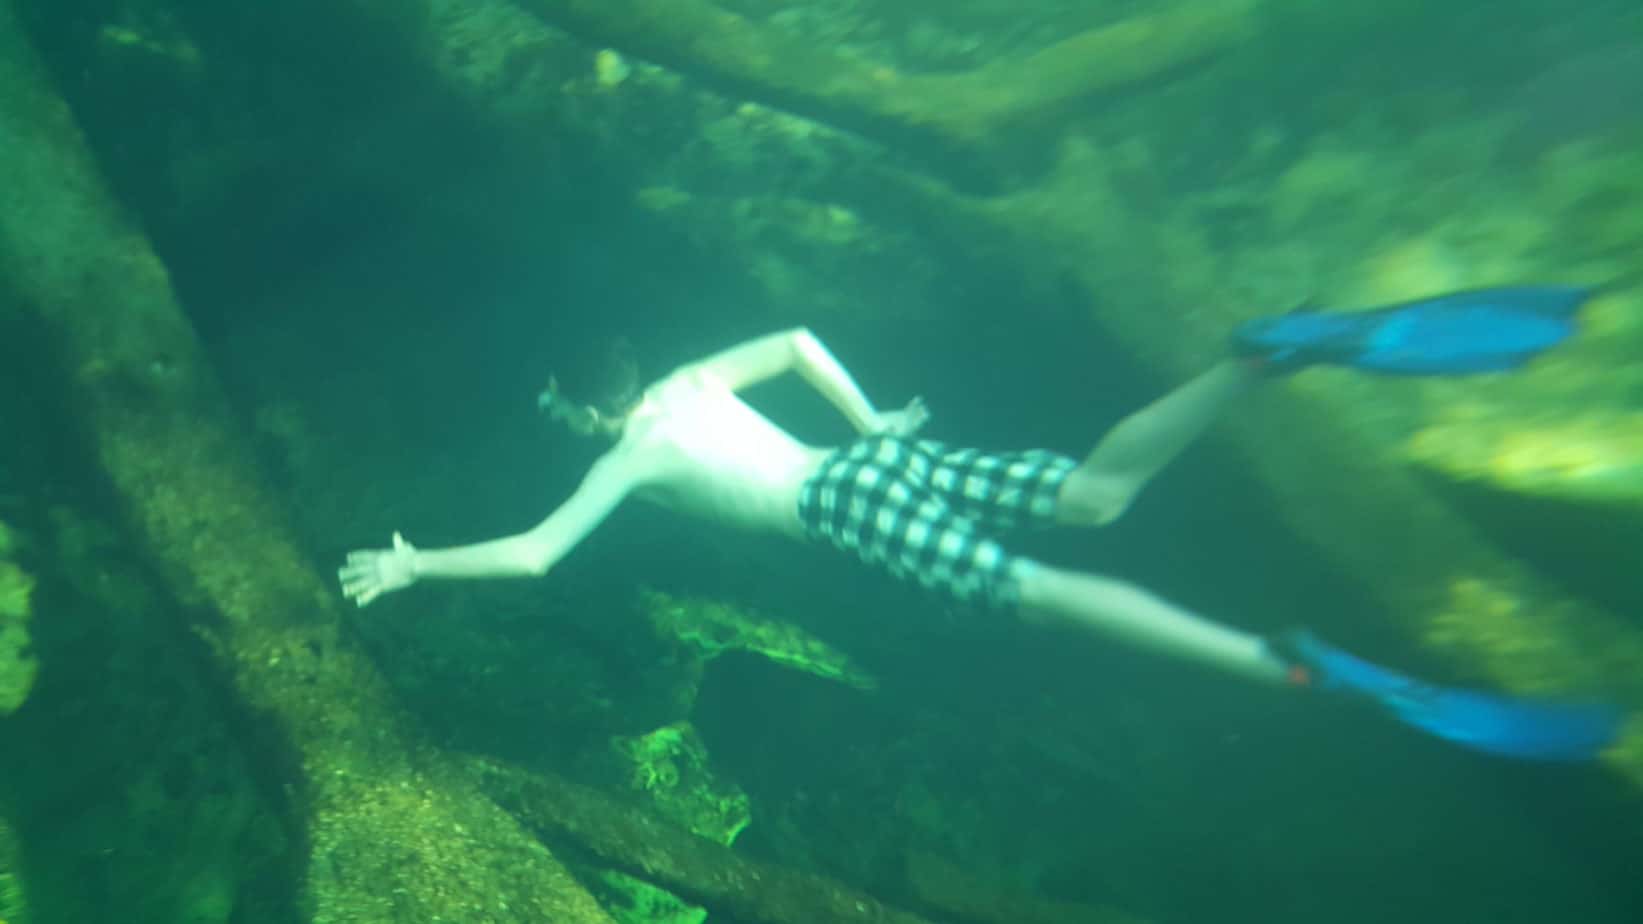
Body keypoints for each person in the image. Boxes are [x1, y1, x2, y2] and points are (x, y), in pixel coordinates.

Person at [339, 287, 1621, 760]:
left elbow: (537, 551)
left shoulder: (637, 447)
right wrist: (876, 422)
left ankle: (1275, 661)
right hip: (869, 463)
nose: (568, 425)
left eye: (560, 410)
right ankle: (1258, 362)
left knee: (1042, 594)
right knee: (1089, 494)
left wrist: (411, 563)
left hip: (835, 504)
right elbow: (791, 340)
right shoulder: (682, 384)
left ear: (578, 401)